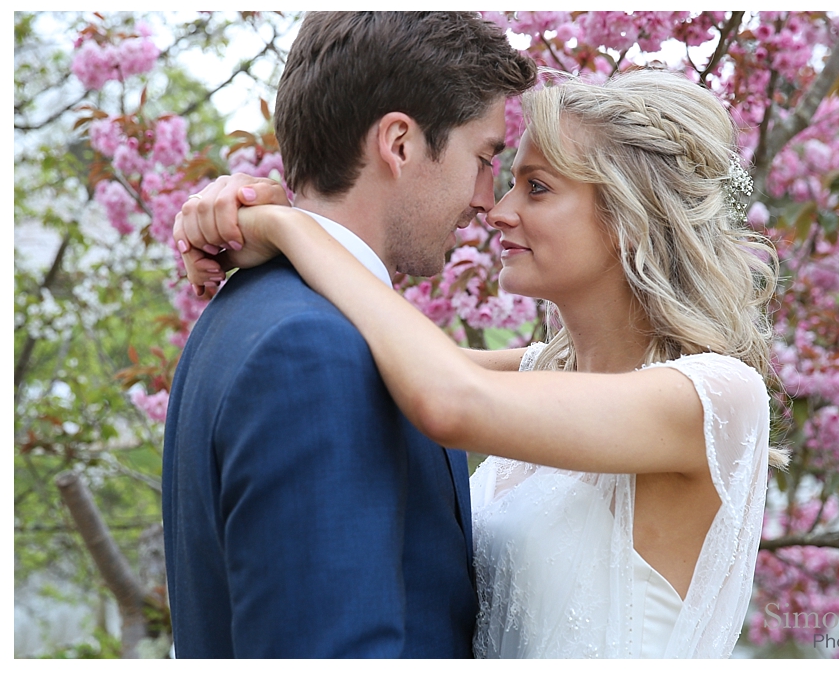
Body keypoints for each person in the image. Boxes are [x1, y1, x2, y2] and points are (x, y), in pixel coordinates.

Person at [177, 69, 788, 658]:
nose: (496, 211)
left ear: (631, 217)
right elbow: (356, 351)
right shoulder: (545, 375)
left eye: (538, 188)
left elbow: (449, 398)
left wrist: (288, 226)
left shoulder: (716, 400)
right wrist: (236, 206)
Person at [162, 11, 536, 658]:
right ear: (399, 143)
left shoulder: (251, 316)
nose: (486, 199)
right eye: (483, 159)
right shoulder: (313, 352)